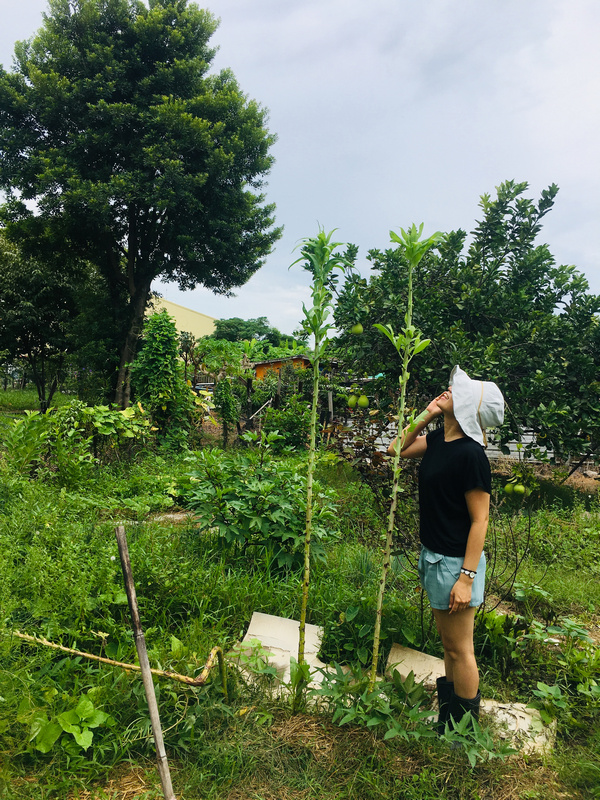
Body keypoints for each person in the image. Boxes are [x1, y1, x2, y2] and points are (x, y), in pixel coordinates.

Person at [388, 365, 504, 731]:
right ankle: (449, 723)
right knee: (450, 647)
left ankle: (463, 732)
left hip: (456, 563)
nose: (449, 391)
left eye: (457, 392)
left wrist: (467, 578)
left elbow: (480, 521)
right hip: (434, 557)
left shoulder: (471, 456)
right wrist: (426, 414)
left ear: (467, 407)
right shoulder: (439, 441)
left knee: (460, 649)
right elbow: (396, 448)